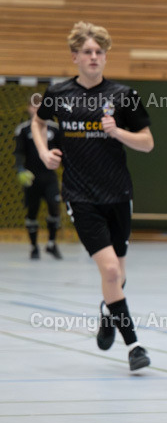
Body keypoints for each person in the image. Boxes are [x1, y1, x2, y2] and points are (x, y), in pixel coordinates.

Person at [33, 21, 154, 371]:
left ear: (105, 57)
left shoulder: (123, 95)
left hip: (118, 194)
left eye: (99, 52)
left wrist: (118, 132)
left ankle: (107, 311)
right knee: (112, 271)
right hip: (80, 195)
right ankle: (135, 346)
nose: (93, 57)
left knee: (117, 278)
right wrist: (43, 153)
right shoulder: (58, 94)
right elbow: (39, 124)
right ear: (75, 56)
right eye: (87, 51)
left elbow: (147, 143)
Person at [14, 95, 62, 260]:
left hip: (49, 177)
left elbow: (62, 151)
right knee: (32, 211)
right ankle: (34, 246)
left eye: (39, 106)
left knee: (54, 206)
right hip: (32, 178)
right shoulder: (23, 130)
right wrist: (20, 169)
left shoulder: (54, 129)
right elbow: (19, 152)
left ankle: (51, 244)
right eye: (33, 107)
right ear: (29, 108)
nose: (36, 110)